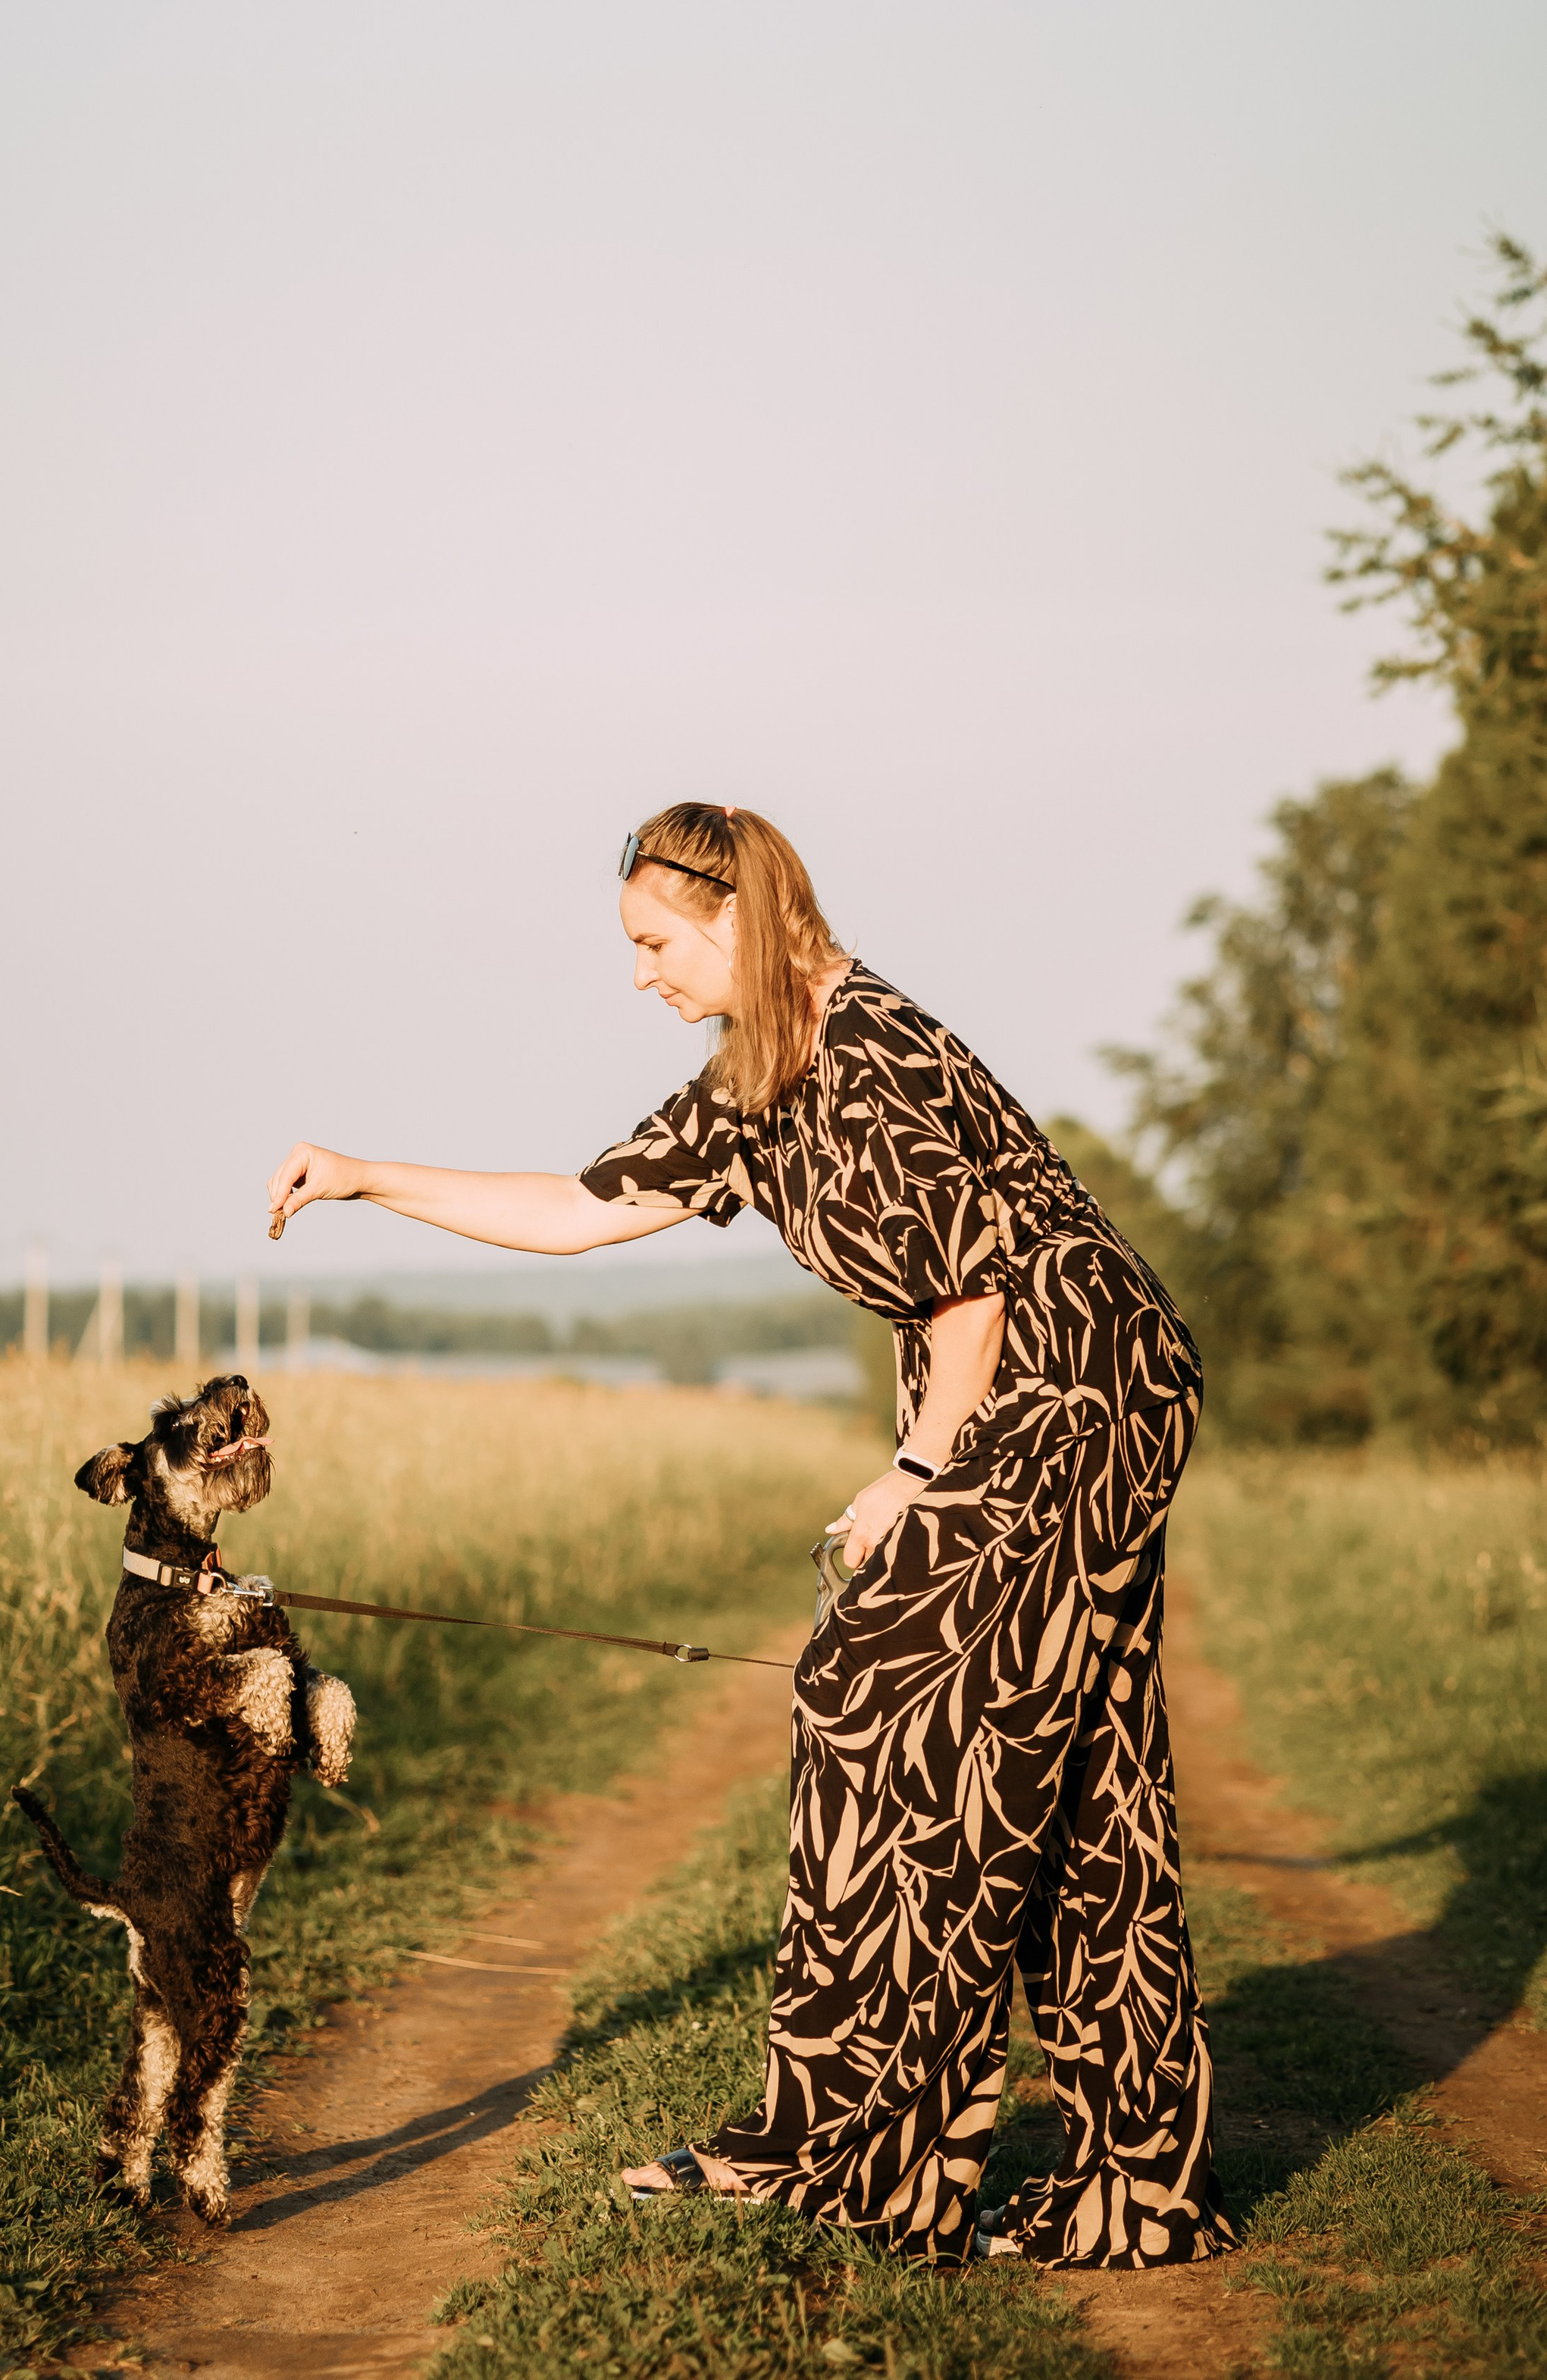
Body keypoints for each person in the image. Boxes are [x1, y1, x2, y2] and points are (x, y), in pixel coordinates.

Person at [265, 803, 1236, 2269]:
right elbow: (582, 1208)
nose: (640, 974)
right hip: (1050, 1384)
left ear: (734, 916)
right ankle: (1132, 2184)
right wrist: (365, 1174)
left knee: (874, 1711)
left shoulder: (866, 1054)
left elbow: (973, 1288)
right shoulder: (754, 1077)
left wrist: (914, 1468)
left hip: (1076, 1384)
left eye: (655, 942)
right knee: (1072, 1768)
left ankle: (848, 2158)